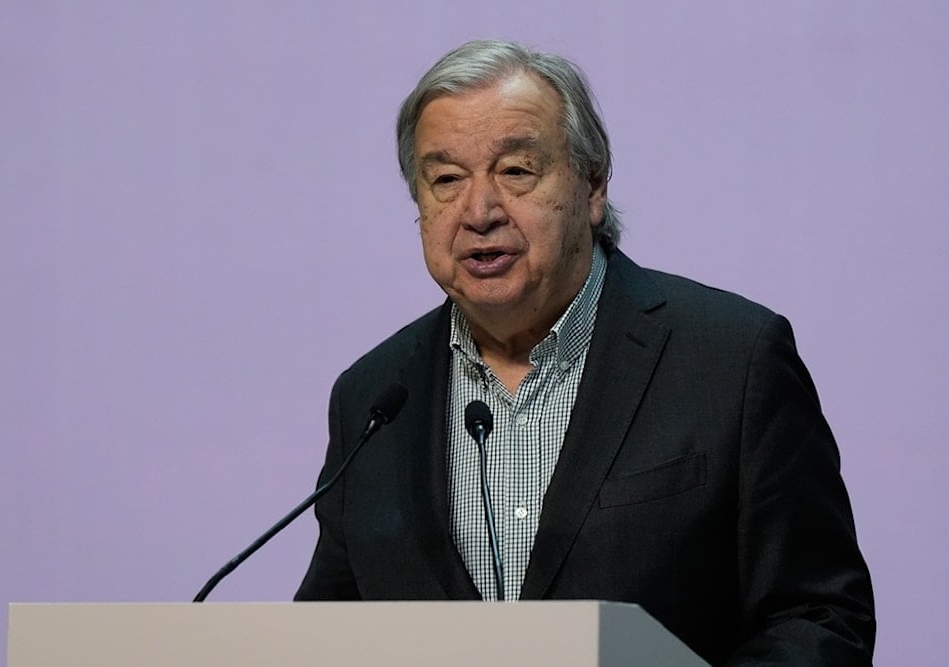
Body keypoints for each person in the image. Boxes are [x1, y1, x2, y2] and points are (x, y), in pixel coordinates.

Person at [295, 40, 875, 664]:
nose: (479, 211)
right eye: (445, 180)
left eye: (516, 171)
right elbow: (328, 635)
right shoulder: (372, 399)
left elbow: (818, 618)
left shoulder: (733, 360)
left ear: (592, 186)